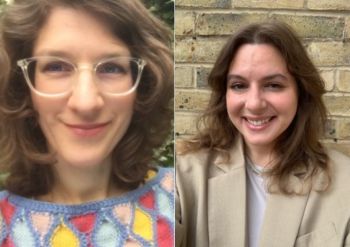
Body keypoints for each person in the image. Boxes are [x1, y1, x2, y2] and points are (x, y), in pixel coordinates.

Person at [0, 0, 174, 246]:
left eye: (112, 68)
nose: (86, 103)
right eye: (56, 66)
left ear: (142, 88)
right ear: (25, 88)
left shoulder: (186, 197)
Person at [176, 22, 350, 247]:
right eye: (239, 85)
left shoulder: (344, 182)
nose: (255, 103)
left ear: (301, 91)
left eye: (274, 85)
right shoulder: (185, 174)